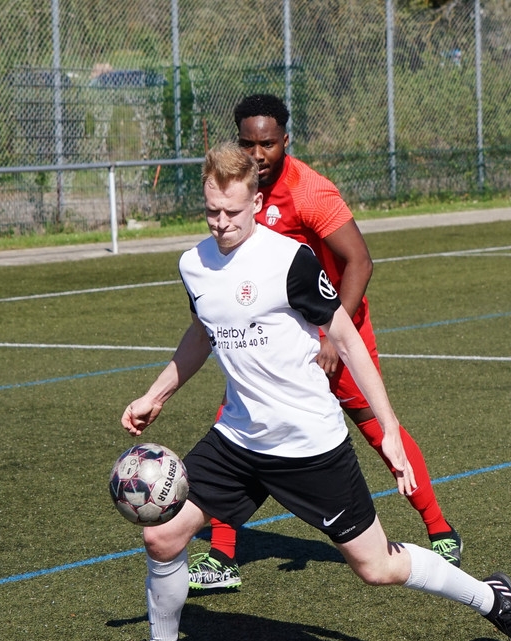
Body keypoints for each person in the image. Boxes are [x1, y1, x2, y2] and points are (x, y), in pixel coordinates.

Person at [97, 144, 511, 641]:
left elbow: (348, 341)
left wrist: (390, 428)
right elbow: (203, 332)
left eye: (232, 212)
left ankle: (493, 598)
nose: (221, 223)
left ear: (256, 202)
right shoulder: (194, 265)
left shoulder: (291, 261)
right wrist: (156, 394)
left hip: (309, 445)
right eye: (212, 211)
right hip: (238, 439)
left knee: (376, 567)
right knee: (163, 534)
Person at [187, 94, 460, 592]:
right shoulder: (238, 195)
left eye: (268, 144)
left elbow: (359, 261)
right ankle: (222, 557)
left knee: (376, 427)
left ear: (285, 141)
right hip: (277, 343)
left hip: (338, 332)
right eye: (247, 144)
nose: (257, 154)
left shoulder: (310, 191)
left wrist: (332, 338)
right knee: (241, 428)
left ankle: (439, 529)